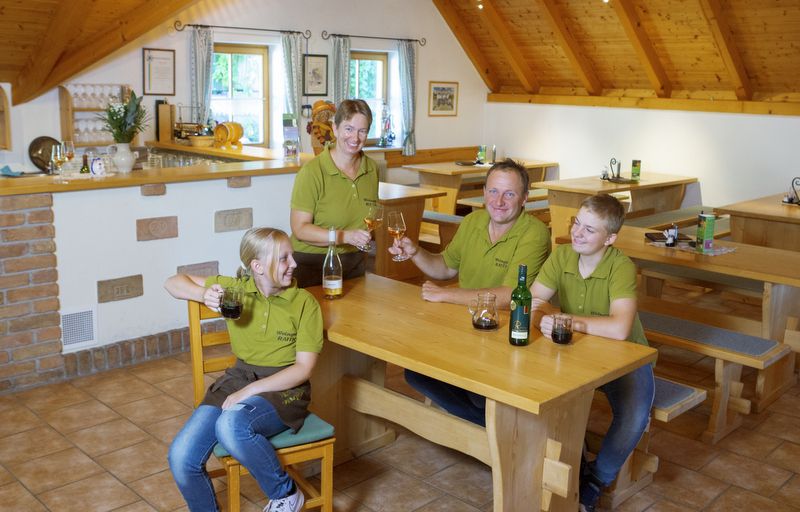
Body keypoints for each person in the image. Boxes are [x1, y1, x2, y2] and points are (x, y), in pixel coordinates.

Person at [165, 227, 323, 512]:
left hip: (285, 388)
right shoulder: (236, 288)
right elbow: (172, 282)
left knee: (231, 426)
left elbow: (303, 369)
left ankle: (286, 493)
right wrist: (204, 294)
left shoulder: (304, 304)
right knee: (181, 457)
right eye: (284, 258)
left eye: (292, 256)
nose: (294, 263)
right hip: (238, 378)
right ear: (257, 266)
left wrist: (250, 390)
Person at [390, 158, 551, 426]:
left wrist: (446, 295)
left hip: (505, 334)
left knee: (477, 393)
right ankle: (491, 430)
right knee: (415, 374)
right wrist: (415, 252)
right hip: (465, 328)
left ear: (524, 198)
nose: (499, 201)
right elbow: (444, 268)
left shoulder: (534, 233)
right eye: (493, 191)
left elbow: (510, 295)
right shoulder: (472, 221)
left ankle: (499, 432)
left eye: (509, 194)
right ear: (484, 192)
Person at [529, 194, 654, 512]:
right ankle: (572, 460)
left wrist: (564, 320)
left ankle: (596, 480)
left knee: (635, 415)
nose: (577, 234)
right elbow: (532, 301)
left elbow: (620, 329)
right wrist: (542, 317)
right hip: (575, 352)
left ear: (610, 238)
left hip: (626, 357)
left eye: (590, 230)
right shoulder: (561, 257)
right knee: (537, 396)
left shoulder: (621, 266)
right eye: (577, 224)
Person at [290, 99, 379, 287]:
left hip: (353, 263)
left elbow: (368, 218)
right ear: (335, 129)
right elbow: (300, 229)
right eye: (348, 129)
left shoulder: (372, 168)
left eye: (362, 131)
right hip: (311, 264)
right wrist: (344, 236)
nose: (355, 138)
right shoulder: (312, 172)